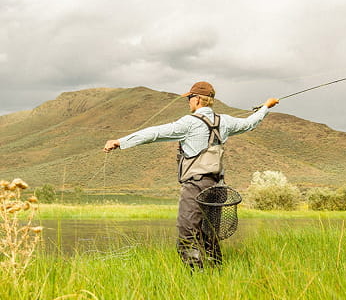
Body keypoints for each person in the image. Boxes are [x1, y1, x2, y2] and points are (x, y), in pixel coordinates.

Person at [103, 81, 279, 269]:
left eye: (189, 98)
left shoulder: (189, 122)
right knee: (210, 234)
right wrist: (265, 107)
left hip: (196, 186)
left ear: (196, 100)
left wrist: (120, 142)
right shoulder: (225, 121)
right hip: (219, 187)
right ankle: (216, 274)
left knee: (187, 234)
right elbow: (249, 124)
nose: (188, 102)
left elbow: (155, 133)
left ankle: (197, 276)